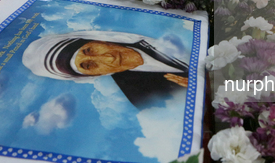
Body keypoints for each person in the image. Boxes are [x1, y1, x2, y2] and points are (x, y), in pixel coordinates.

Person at [22, 31, 188, 109]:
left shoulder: (149, 34)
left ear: (98, 40)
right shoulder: (143, 96)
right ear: (94, 75)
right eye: (88, 66)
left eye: (89, 50)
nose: (109, 58)